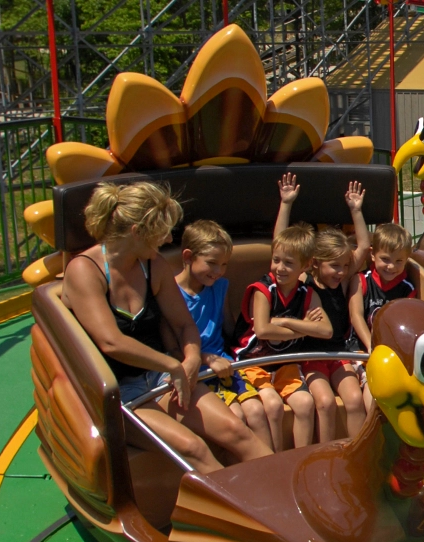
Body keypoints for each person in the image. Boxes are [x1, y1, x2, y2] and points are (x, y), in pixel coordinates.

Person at [61, 182, 272, 473]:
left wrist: (191, 357)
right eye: (163, 232)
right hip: (119, 391)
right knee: (192, 448)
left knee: (236, 432)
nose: (168, 238)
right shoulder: (85, 270)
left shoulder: (153, 265)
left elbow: (184, 324)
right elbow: (111, 342)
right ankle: (239, 516)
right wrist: (172, 366)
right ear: (137, 233)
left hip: (160, 377)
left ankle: (286, 501)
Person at [232, 181, 333, 450]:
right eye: (277, 261)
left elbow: (326, 331)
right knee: (274, 407)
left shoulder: (306, 292)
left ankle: (301, 458)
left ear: (305, 266)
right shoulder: (263, 289)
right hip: (252, 363)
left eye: (289, 263)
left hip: (285, 362)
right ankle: (275, 460)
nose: (280, 267)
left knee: (305, 403)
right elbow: (263, 330)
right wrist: (303, 329)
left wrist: (288, 322)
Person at [273, 173, 370, 443]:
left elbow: (362, 246)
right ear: (316, 263)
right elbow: (281, 244)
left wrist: (356, 210)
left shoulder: (343, 280)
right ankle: (325, 456)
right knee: (325, 402)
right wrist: (286, 204)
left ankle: (356, 452)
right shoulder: (306, 280)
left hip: (339, 353)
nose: (340, 272)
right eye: (334, 266)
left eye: (344, 266)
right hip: (311, 355)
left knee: (353, 399)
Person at [173, 220, 278, 453]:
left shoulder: (220, 286)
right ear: (188, 257)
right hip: (198, 370)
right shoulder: (171, 293)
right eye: (212, 263)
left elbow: (229, 328)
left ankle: (271, 472)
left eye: (223, 264)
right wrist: (206, 358)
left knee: (257, 410)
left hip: (225, 364)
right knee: (237, 416)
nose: (218, 271)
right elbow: (170, 345)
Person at [348, 222, 417, 408]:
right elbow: (356, 316)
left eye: (398, 261)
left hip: (390, 352)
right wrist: (372, 345)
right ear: (372, 254)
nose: (391, 266)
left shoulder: (407, 289)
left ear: (407, 259)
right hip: (360, 348)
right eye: (385, 259)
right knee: (372, 386)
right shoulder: (361, 280)